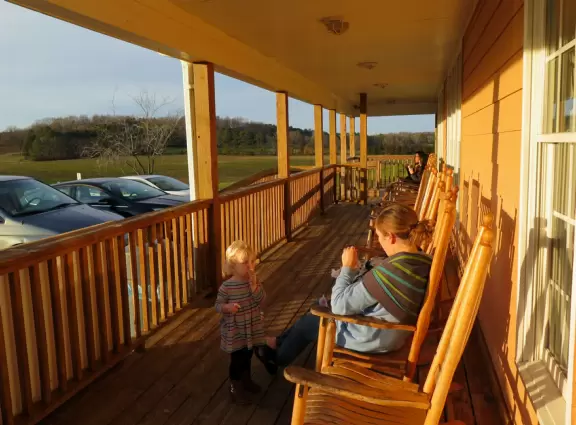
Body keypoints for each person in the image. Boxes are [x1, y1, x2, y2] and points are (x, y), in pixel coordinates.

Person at [255, 203, 432, 374]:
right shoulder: (420, 260)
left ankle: (277, 358)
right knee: (321, 304)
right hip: (390, 333)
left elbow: (340, 305)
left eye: (379, 236)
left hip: (373, 338)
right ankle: (278, 342)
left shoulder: (392, 272)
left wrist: (347, 268)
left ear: (391, 237)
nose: (379, 241)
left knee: (312, 320)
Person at [215, 241, 266, 405]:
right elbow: (218, 306)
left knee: (248, 355)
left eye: (252, 261)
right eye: (245, 263)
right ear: (233, 266)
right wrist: (228, 307)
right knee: (237, 358)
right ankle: (235, 387)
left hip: (250, 326)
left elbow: (261, 300)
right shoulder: (226, 287)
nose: (251, 266)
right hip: (236, 329)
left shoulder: (253, 282)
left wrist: (254, 287)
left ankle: (246, 381)